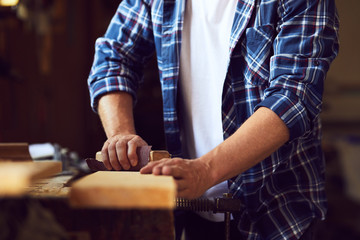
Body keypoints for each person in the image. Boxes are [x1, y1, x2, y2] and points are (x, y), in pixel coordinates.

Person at [87, 0, 339, 239]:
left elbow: (292, 96)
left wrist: (205, 170)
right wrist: (120, 133)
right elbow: (113, 57)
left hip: (276, 213)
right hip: (192, 207)